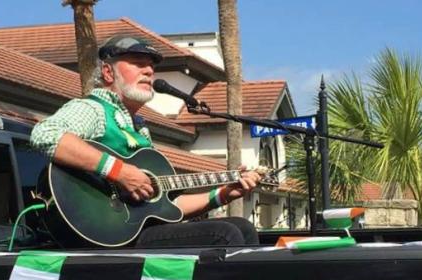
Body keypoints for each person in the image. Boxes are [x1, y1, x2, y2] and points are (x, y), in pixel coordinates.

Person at [31, 35, 261, 247]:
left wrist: (223, 194)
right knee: (224, 235)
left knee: (243, 228)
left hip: (136, 231)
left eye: (151, 65)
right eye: (138, 63)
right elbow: (46, 134)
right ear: (108, 72)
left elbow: (166, 207)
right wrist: (119, 171)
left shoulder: (139, 128)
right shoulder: (93, 109)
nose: (149, 71)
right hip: (108, 233)